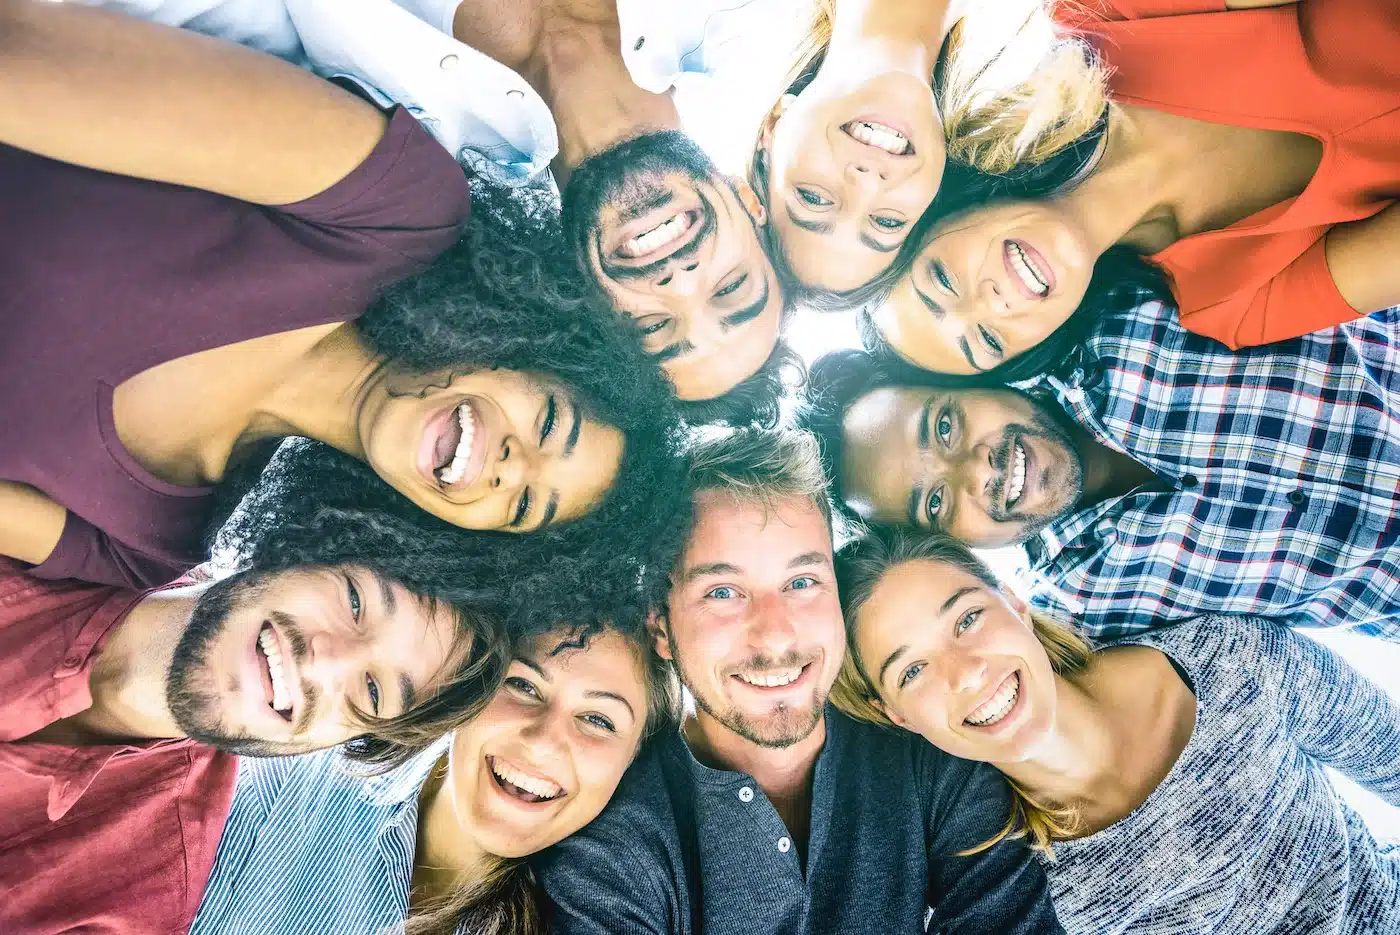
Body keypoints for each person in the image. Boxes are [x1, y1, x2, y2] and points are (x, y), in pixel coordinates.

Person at [1, 0, 688, 589]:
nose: (513, 467)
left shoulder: (159, 543)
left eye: (524, 506)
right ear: (526, 345)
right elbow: (20, 55)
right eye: (546, 421)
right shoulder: (388, 214)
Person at [80, 0, 801, 421]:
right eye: (732, 289)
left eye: (653, 326)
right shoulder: (749, 21)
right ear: (752, 202)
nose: (680, 284)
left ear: (593, 306)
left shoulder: (394, 142)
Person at [534, 428, 1062, 934]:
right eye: (722, 591)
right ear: (660, 626)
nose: (776, 636)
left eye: (802, 581)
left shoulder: (931, 752)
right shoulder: (614, 846)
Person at [830, 527, 1400, 935]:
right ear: (897, 715)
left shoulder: (1232, 660)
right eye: (913, 670)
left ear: (1015, 604)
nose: (968, 672)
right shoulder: (1001, 885)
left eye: (968, 618)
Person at [798, 298, 1400, 638]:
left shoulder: (1125, 316)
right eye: (934, 502)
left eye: (944, 427)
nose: (973, 471)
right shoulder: (1084, 607)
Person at [863, 0, 1400, 379]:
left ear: (942, 207)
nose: (992, 305)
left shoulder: (1107, 14)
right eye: (988, 342)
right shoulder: (1232, 306)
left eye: (943, 280)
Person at [0, 553, 502, 935]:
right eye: (354, 600)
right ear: (296, 541)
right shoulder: (46, 528)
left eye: (373, 691)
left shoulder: (141, 887)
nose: (324, 663)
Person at [186, 623, 680, 935]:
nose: (543, 742)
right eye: (523, 685)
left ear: (631, 761)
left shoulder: (604, 915)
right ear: (473, 683)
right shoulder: (296, 776)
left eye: (598, 720)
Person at [748, 0, 1107, 302]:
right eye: (887, 222)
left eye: (812, 198)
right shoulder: (1073, 35)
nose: (869, 182)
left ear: (773, 124)